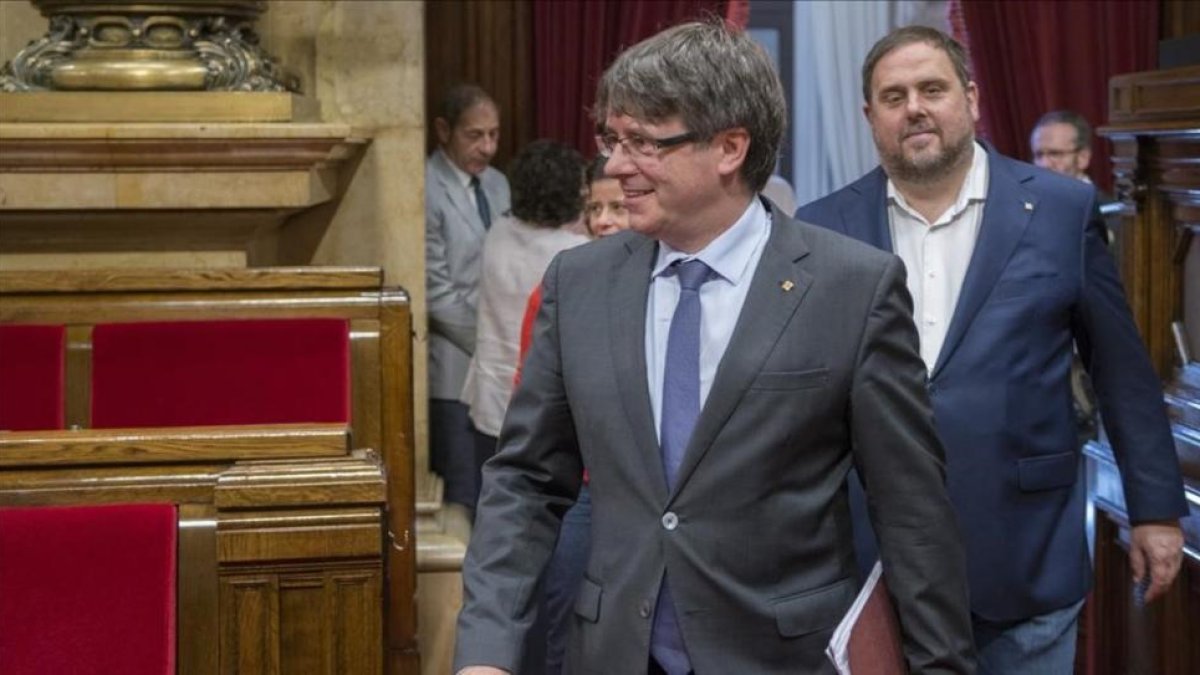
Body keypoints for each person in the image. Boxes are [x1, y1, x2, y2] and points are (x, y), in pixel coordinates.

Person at [455, 20, 974, 675]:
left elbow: (912, 513)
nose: (615, 166)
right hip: (611, 651)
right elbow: (526, 482)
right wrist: (486, 652)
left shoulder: (852, 288)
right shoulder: (578, 282)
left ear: (729, 147)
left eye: (644, 142)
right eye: (613, 139)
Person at [795, 26, 1188, 674]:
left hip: (1024, 555)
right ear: (869, 117)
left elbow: (1119, 370)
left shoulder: (1060, 207)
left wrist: (1154, 508)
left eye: (932, 88)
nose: (914, 107)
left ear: (972, 98)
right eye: (893, 96)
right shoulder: (820, 226)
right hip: (870, 560)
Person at [516, 154, 630, 675]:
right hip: (582, 489)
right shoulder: (558, 289)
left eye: (617, 207)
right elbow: (533, 410)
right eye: (594, 208)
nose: (605, 220)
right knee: (567, 630)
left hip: (653, 492)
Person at [461, 139, 591, 514]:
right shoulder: (572, 254)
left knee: (490, 506)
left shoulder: (498, 233)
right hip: (538, 408)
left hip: (489, 397)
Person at [426, 83, 511, 511]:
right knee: (464, 497)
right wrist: (491, 341)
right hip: (454, 369)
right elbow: (435, 293)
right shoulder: (425, 187)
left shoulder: (497, 185)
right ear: (444, 130)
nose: (488, 147)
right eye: (475, 135)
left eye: (494, 134)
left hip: (499, 374)